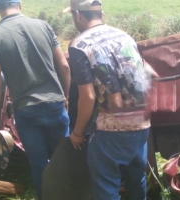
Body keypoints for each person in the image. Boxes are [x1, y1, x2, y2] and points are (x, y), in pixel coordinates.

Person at [64, 0, 152, 199]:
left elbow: (87, 96)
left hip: (110, 130)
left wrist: (77, 132)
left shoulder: (79, 45)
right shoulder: (125, 36)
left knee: (106, 187)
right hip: (141, 123)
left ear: (78, 15)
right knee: (137, 180)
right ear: (100, 13)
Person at [0, 0, 71, 199]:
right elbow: (64, 67)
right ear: (19, 5)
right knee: (63, 161)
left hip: (26, 110)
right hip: (55, 105)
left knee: (39, 164)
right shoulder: (44, 26)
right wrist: (65, 97)